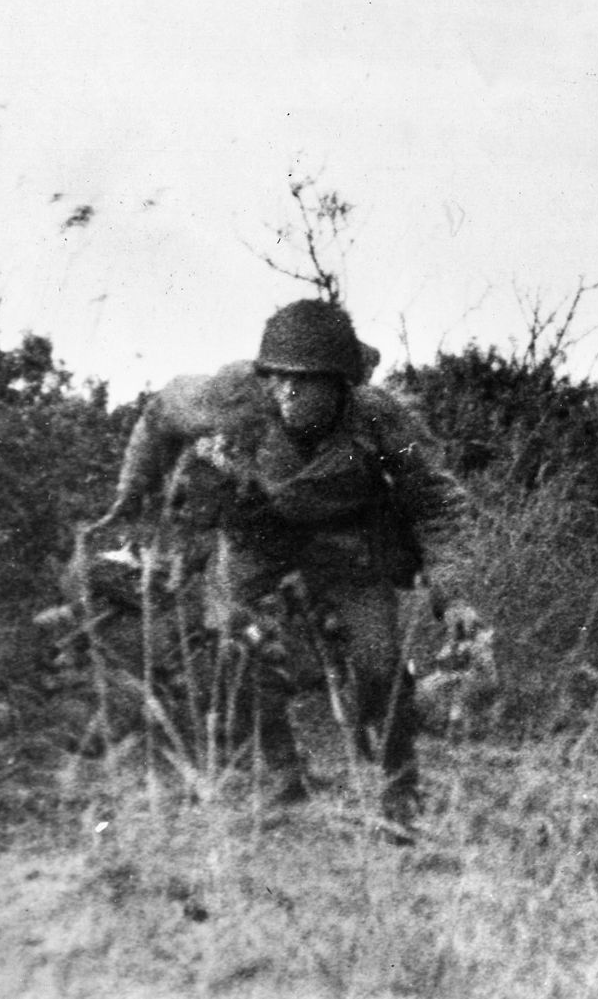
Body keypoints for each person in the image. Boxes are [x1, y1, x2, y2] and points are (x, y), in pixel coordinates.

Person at [78, 298, 473, 828]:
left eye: (305, 381)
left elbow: (437, 503)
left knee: (380, 663)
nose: (287, 391)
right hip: (259, 529)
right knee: (233, 641)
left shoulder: (379, 420)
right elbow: (159, 414)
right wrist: (130, 495)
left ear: (339, 386)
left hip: (349, 538)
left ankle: (398, 788)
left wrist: (453, 592)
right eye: (280, 377)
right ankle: (281, 775)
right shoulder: (235, 392)